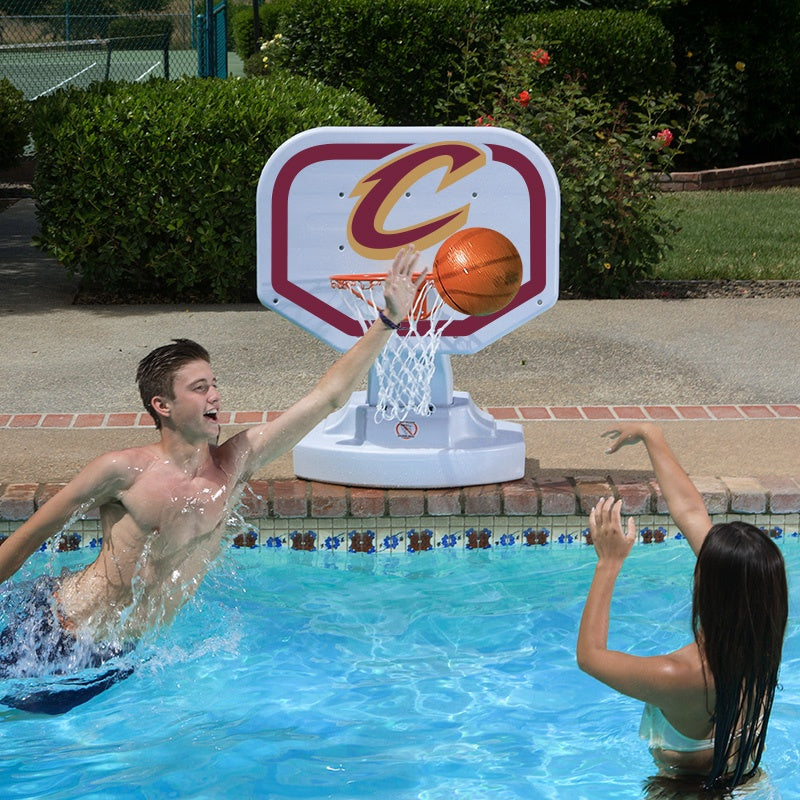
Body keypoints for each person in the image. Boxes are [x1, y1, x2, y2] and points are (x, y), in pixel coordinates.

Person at [0, 245, 427, 714]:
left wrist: (387, 322)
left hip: (119, 655)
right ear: (163, 406)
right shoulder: (122, 470)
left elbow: (327, 397)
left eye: (215, 384)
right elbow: (26, 540)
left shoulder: (235, 463)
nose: (216, 396)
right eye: (199, 388)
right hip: (58, 631)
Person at [576, 422, 788, 794]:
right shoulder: (762, 630)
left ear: (711, 593)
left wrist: (608, 563)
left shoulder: (681, 675)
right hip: (751, 782)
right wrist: (652, 435)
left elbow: (590, 657)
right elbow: (691, 512)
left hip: (683, 792)